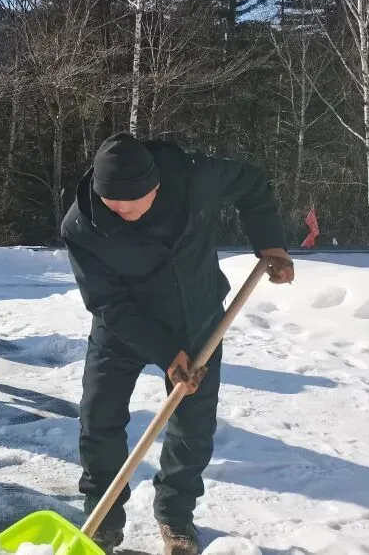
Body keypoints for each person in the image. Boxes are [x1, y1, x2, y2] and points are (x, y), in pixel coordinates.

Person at [61, 133, 295, 555]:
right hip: (124, 327)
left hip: (197, 319)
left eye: (134, 203)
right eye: (114, 205)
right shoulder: (81, 225)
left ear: (157, 186)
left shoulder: (195, 177)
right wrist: (166, 353)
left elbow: (253, 184)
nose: (124, 213)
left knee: (192, 426)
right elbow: (106, 300)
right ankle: (103, 520)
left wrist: (270, 242)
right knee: (99, 419)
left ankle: (176, 515)